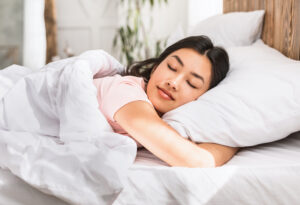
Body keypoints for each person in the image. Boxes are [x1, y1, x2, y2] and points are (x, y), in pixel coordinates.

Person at [93, 36, 239, 168]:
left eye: (192, 83)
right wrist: (234, 144)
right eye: (172, 67)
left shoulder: (172, 121)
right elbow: (195, 160)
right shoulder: (126, 92)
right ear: (155, 67)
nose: (173, 82)